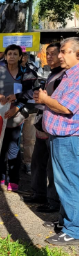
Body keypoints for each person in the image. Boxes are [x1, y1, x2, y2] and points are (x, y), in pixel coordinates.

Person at [34, 37, 79, 245]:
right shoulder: (68, 75)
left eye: (64, 51)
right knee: (63, 183)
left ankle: (74, 230)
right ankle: (65, 222)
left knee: (70, 183)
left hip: (68, 139)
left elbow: (66, 108)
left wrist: (45, 99)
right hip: (60, 138)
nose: (60, 55)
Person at [0, 44, 36, 192]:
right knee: (0, 146)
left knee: (13, 147)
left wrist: (17, 106)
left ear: (20, 57)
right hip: (0, 114)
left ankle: (13, 180)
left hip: (16, 114)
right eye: (9, 54)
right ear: (5, 56)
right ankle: (0, 177)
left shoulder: (27, 72)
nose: (12, 57)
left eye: (15, 54)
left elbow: (31, 92)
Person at [23, 43, 65, 213]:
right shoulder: (51, 74)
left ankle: (53, 201)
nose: (49, 57)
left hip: (55, 128)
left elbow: (62, 104)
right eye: (47, 53)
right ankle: (39, 193)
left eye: (53, 53)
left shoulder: (65, 76)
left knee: (52, 168)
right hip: (42, 124)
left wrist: (44, 99)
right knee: (38, 162)